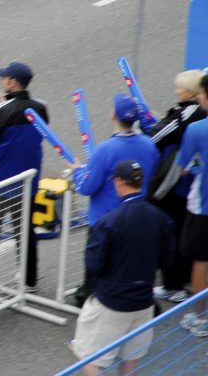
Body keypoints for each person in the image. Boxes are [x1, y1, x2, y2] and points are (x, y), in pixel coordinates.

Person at [69, 160, 174, 376]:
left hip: (111, 301)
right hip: (143, 302)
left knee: (87, 356)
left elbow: (94, 263)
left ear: (117, 182)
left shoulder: (109, 221)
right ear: (140, 182)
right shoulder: (160, 218)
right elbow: (168, 259)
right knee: (131, 360)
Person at [66, 93, 159, 305]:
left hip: (103, 221)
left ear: (113, 115)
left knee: (96, 272)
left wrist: (78, 171)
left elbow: (86, 187)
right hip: (136, 218)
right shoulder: (148, 145)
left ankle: (92, 316)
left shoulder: (105, 149)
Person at [0, 61, 47, 293]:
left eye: (4, 78)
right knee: (25, 231)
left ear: (12, 82)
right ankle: (29, 280)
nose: (2, 81)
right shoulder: (40, 108)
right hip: (28, 182)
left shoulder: (1, 111)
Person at [147, 69, 206, 303]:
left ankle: (175, 287)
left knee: (175, 235)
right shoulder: (197, 114)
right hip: (193, 186)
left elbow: (155, 137)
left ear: (191, 93)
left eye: (179, 88)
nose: (176, 90)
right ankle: (186, 281)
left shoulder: (185, 117)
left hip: (181, 187)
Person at [173, 73, 208, 337]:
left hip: (204, 206)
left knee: (201, 261)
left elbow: (182, 168)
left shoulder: (197, 129)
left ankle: (199, 316)